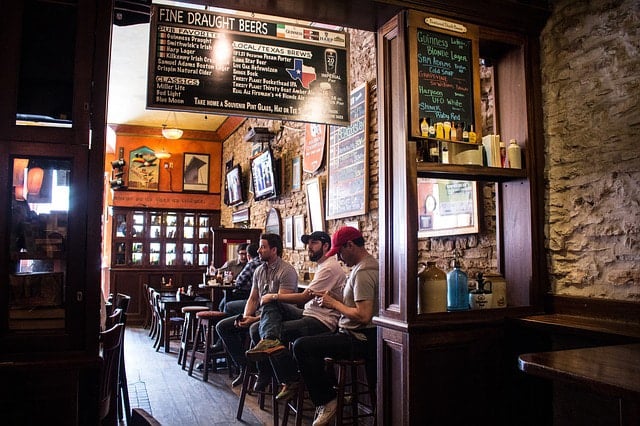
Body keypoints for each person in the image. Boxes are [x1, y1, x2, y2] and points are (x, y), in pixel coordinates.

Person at [291, 226, 379, 426]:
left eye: (340, 251)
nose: (338, 257)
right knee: (304, 343)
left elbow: (364, 315)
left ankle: (328, 400)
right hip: (355, 334)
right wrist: (335, 299)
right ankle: (333, 395)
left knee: (301, 346)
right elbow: (357, 306)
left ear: (350, 245)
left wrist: (334, 304)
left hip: (359, 339)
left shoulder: (364, 271)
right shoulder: (364, 266)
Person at [244, 231, 346, 397]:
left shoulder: (329, 268)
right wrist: (270, 299)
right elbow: (255, 298)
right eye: (308, 243)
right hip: (308, 313)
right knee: (259, 325)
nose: (309, 248)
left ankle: (289, 377)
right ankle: (285, 374)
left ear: (326, 246)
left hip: (321, 321)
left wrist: (274, 295)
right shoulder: (323, 266)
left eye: (314, 243)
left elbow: (305, 297)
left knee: (263, 327)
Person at [215, 233, 297, 388]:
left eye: (262, 247)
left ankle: (264, 372)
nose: (258, 250)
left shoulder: (287, 271)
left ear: (274, 250)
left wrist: (253, 320)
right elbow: (253, 298)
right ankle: (245, 366)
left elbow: (280, 306)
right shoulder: (259, 270)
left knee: (254, 327)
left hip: (280, 317)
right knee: (223, 326)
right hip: (260, 315)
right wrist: (246, 316)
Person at [218, 243, 260, 312]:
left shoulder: (251, 264)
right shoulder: (231, 264)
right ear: (238, 254)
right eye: (241, 254)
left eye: (245, 254)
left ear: (248, 255)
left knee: (224, 305)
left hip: (247, 294)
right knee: (222, 305)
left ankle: (226, 321)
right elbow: (219, 272)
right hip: (236, 292)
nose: (243, 257)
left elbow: (239, 282)